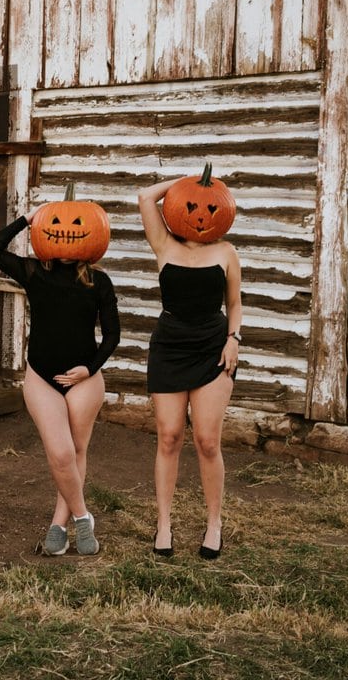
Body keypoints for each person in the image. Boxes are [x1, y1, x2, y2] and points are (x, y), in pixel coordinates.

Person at [0, 210, 120, 556]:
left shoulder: (98, 282)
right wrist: (27, 220)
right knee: (60, 453)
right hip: (42, 376)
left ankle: (59, 525)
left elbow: (112, 336)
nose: (64, 233)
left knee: (75, 451)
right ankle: (83, 515)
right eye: (55, 227)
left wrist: (88, 370)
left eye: (74, 225)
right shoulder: (34, 273)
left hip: (84, 377)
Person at [137, 176, 242, 560]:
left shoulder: (226, 252)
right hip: (169, 347)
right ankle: (163, 524)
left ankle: (213, 523)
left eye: (210, 207)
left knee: (207, 441)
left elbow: (234, 304)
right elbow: (146, 196)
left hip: (213, 349)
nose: (201, 216)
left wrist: (234, 339)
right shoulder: (164, 243)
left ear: (222, 212)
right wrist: (187, 183)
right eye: (194, 206)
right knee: (168, 437)